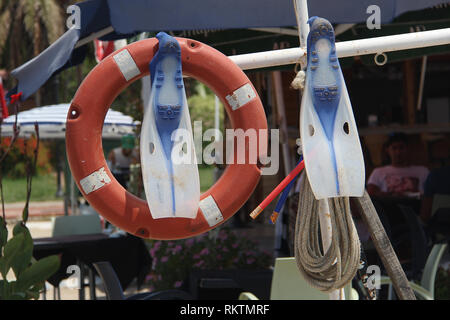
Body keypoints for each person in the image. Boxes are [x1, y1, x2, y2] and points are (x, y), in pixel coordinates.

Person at [367, 132, 429, 198]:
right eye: (394, 148)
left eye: (401, 148)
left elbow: (430, 194)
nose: (398, 152)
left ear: (408, 149)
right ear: (387, 150)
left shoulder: (423, 171)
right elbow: (371, 193)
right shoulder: (378, 172)